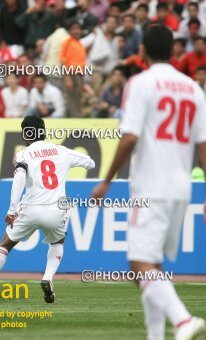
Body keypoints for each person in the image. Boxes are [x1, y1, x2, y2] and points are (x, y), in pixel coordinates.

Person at [91, 25, 206, 340]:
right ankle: (155, 336)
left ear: (142, 51)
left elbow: (130, 136)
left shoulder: (140, 83)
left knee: (139, 264)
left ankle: (183, 320)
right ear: (173, 51)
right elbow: (203, 145)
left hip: (151, 187)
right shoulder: (193, 88)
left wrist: (106, 180)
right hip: (182, 188)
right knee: (150, 265)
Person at [0, 115, 94, 304]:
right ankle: (48, 277)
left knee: (5, 244)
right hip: (56, 209)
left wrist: (12, 209)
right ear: (43, 131)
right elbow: (90, 162)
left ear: (26, 134)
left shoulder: (23, 153)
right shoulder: (61, 150)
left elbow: (19, 178)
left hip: (29, 209)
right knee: (58, 241)